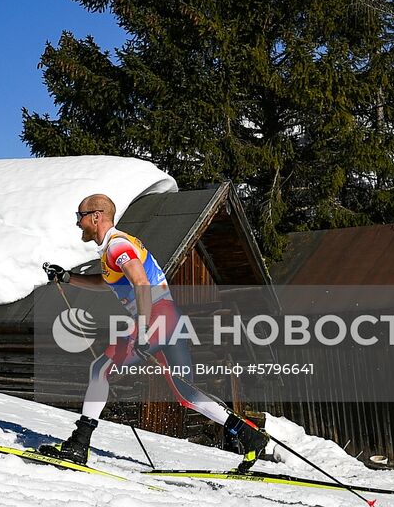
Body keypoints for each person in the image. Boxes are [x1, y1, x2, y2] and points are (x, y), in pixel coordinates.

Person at [40, 193, 280, 469]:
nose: (78, 223)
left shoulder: (117, 245)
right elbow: (107, 283)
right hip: (170, 320)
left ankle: (79, 445)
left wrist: (142, 330)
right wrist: (68, 278)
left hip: (157, 317)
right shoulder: (114, 250)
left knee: (99, 369)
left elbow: (141, 284)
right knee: (187, 394)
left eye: (80, 216)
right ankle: (250, 436)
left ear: (96, 216)